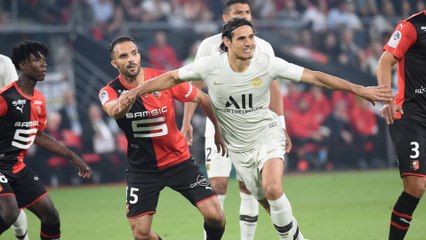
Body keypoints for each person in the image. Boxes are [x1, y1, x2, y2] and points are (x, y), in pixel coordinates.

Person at [119, 18, 393, 240]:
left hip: (267, 135)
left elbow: (316, 77)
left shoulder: (266, 62)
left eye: (251, 37)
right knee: (267, 202)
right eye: (242, 38)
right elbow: (170, 78)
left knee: (274, 189)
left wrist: (359, 89)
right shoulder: (210, 66)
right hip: (239, 148)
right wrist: (136, 92)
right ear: (227, 42)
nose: (249, 43)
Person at [180, 1, 292, 239]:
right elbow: (195, 87)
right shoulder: (208, 46)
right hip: (219, 126)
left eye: (247, 12)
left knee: (248, 188)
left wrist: (281, 126)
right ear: (225, 18)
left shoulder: (263, 47)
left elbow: (274, 88)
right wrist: (186, 121)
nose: (245, 15)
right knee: (218, 185)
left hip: (254, 129)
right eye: (238, 12)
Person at [99, 36, 226, 240]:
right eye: (123, 56)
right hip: (142, 169)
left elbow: (203, 98)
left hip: (179, 161)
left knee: (216, 217)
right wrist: (130, 97)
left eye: (134, 53)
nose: (131, 59)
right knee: (141, 234)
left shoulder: (161, 79)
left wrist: (217, 130)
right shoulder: (110, 91)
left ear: (139, 55)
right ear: (115, 63)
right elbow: (114, 111)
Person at [0, 40, 92, 239]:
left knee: (51, 216)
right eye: (36, 60)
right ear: (23, 65)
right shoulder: (5, 97)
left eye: (44, 59)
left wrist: (72, 156)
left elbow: (38, 135)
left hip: (17, 167)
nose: (44, 64)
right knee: (9, 213)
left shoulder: (39, 99)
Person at [376, 10, 426, 240]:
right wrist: (387, 99)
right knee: (415, 187)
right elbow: (385, 62)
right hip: (410, 115)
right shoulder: (411, 26)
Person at [0, 53, 30, 240]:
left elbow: (16, 101)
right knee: (10, 207)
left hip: (4, 147)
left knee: (11, 207)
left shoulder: (3, 63)